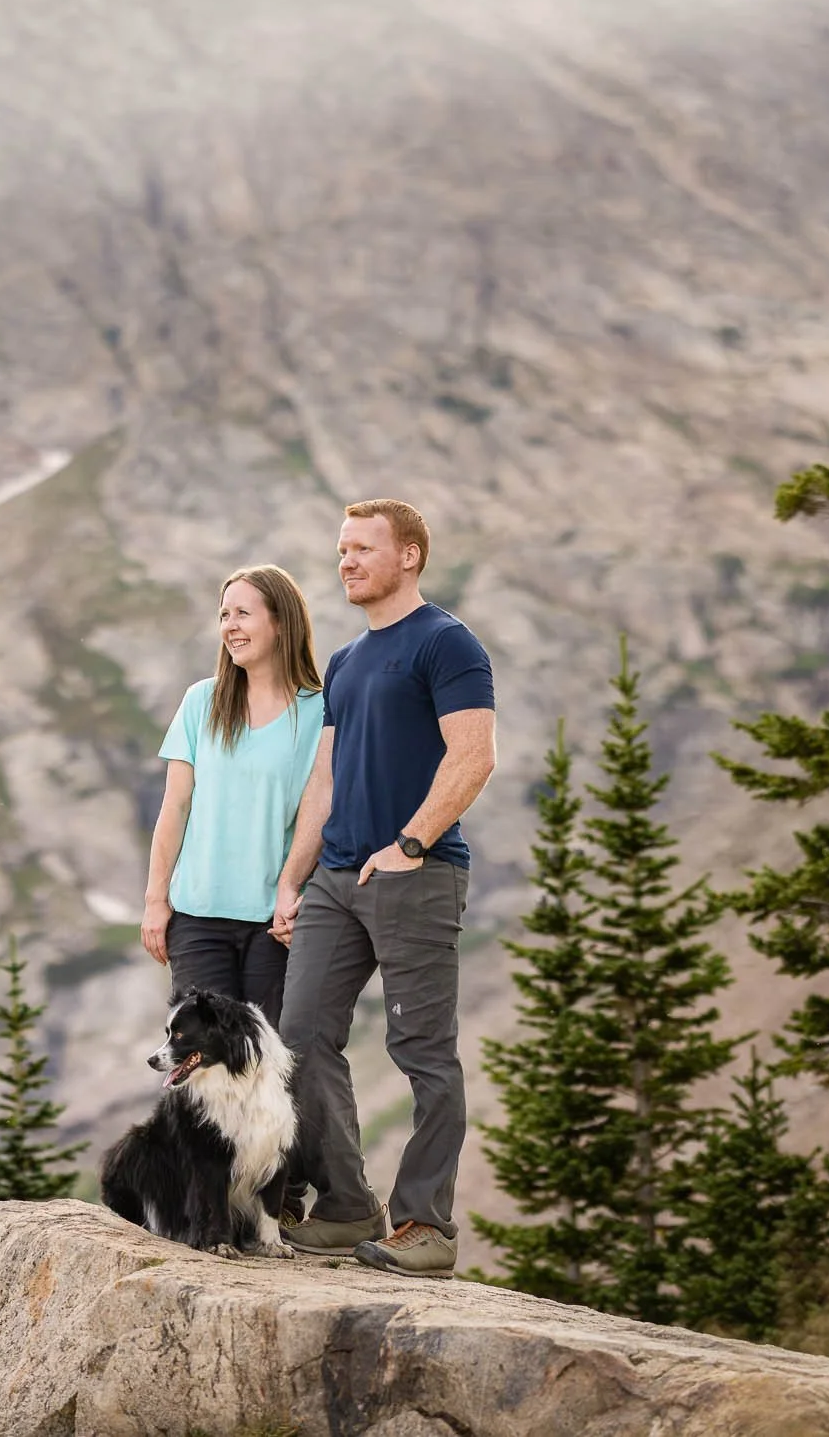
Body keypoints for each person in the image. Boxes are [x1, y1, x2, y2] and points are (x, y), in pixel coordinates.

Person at [271, 499, 495, 1275]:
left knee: (424, 1052)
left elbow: (474, 755)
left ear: (409, 555)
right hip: (335, 880)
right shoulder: (345, 661)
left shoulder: (447, 642)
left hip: (418, 874)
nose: (346, 561)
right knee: (299, 1036)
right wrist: (292, 880)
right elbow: (324, 780)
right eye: (341, 549)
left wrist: (410, 843)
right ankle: (345, 1207)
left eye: (363, 547)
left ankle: (425, 1224)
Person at [140, 565, 325, 1024]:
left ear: (281, 621)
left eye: (243, 613)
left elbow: (320, 811)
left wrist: (302, 895)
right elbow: (175, 807)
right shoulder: (202, 701)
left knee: (271, 1065)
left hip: (276, 924)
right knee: (205, 1068)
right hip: (197, 920)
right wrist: (155, 900)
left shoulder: (321, 710)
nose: (230, 627)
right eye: (224, 615)